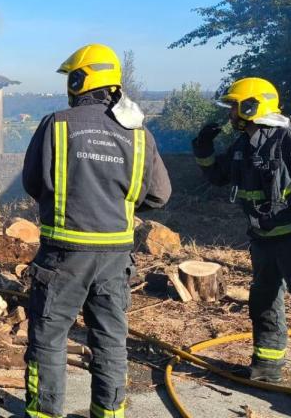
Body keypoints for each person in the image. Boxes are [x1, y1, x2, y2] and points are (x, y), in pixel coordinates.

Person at [22, 43, 171, 418]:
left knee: (50, 340)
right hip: (115, 258)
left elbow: (32, 182)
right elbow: (159, 195)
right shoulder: (139, 136)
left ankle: (44, 413)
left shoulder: (56, 124)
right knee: (110, 341)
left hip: (64, 255)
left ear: (79, 80)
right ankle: (109, 413)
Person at [192, 77, 291, 416]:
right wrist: (204, 149)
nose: (232, 113)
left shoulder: (290, 141)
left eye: (236, 106)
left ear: (253, 107)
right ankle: (266, 367)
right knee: (263, 304)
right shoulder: (243, 146)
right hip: (263, 242)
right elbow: (218, 177)